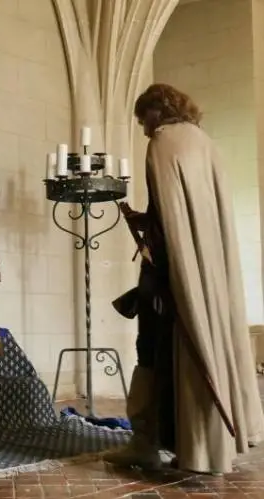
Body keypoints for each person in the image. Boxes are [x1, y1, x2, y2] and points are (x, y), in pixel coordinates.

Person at [104, 83, 264, 474]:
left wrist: (155, 253)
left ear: (157, 110)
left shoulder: (163, 142)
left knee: (149, 351)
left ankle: (144, 443)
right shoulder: (206, 144)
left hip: (168, 276)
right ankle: (195, 445)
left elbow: (170, 223)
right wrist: (148, 221)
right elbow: (185, 219)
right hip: (207, 277)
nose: (143, 128)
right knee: (187, 353)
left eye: (143, 118)